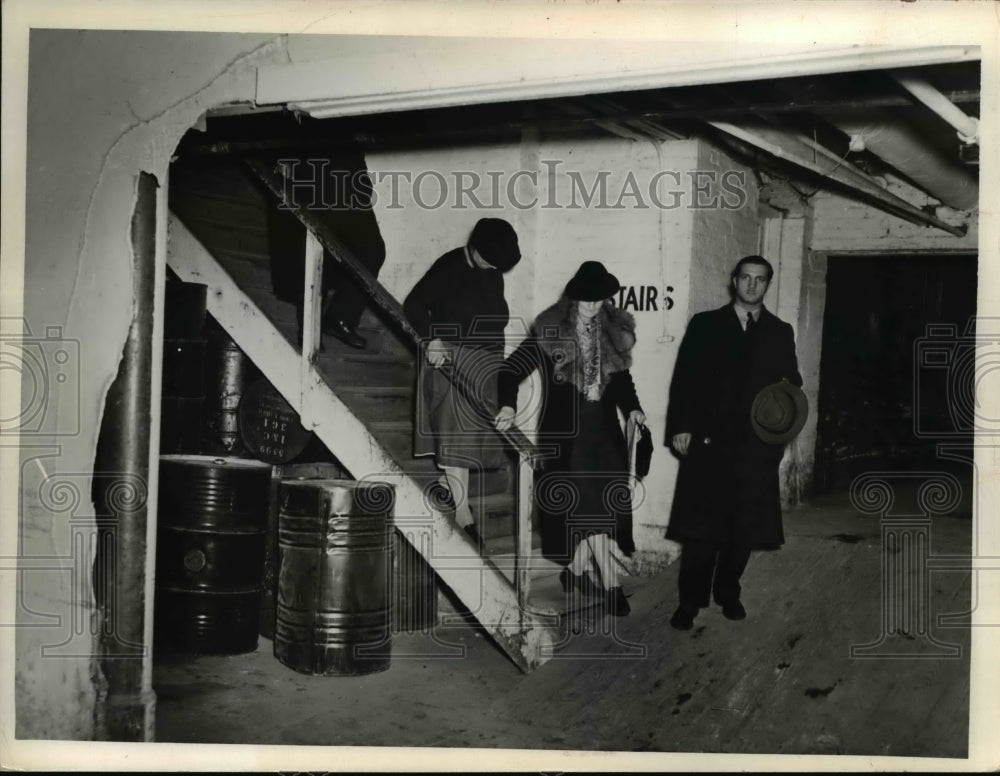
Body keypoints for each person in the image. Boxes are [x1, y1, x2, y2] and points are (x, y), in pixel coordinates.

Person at [495, 261, 646, 616]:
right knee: (589, 512)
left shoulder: (612, 331)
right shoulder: (550, 331)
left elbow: (623, 381)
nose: (593, 308)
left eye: (600, 301)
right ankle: (612, 588)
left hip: (604, 433)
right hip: (568, 436)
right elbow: (510, 370)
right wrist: (507, 406)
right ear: (573, 298)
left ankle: (576, 573)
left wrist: (634, 409)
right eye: (587, 301)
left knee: (604, 509)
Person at [665, 255, 802, 630]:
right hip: (710, 443)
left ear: (767, 285)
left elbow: (792, 383)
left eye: (760, 279)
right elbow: (685, 380)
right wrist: (681, 425)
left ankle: (729, 592)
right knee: (701, 530)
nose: (752, 285)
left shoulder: (779, 331)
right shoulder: (706, 324)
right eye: (746, 277)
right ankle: (690, 602)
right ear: (734, 280)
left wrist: (782, 417)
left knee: (742, 529)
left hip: (755, 446)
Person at [403, 218, 522, 553]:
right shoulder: (449, 266)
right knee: (456, 438)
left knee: (473, 442)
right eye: (486, 260)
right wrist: (432, 340)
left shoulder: (493, 270)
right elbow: (413, 305)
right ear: (473, 247)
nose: (490, 267)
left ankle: (449, 487)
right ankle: (463, 516)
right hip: (451, 362)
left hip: (485, 365)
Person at [267, 148, 386, 350]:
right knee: (315, 252)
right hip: (315, 174)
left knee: (372, 250)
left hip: (350, 178)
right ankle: (309, 329)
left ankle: (339, 317)